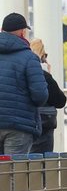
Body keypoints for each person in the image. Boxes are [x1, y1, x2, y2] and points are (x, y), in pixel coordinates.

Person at [0, 13, 47, 154]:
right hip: (19, 126)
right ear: (22, 32)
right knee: (15, 173)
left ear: (2, 29)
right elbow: (40, 96)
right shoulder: (30, 58)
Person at [28, 39, 67, 154]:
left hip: (24, 123)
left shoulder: (19, 70)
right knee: (43, 163)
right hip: (44, 122)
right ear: (42, 56)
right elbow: (60, 101)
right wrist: (48, 75)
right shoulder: (43, 74)